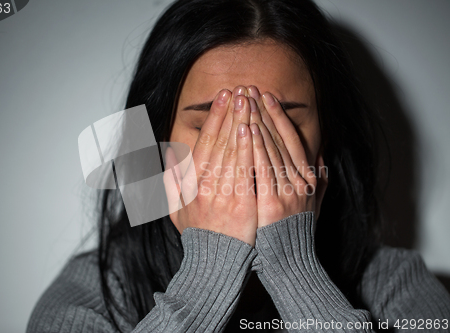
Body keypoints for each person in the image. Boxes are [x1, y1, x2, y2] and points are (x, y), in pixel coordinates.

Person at [26, 0, 450, 332]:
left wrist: (294, 267)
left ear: (327, 141)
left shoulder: (397, 287)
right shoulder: (96, 291)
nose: (246, 145)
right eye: (211, 119)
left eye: (279, 117)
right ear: (157, 148)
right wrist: (208, 276)